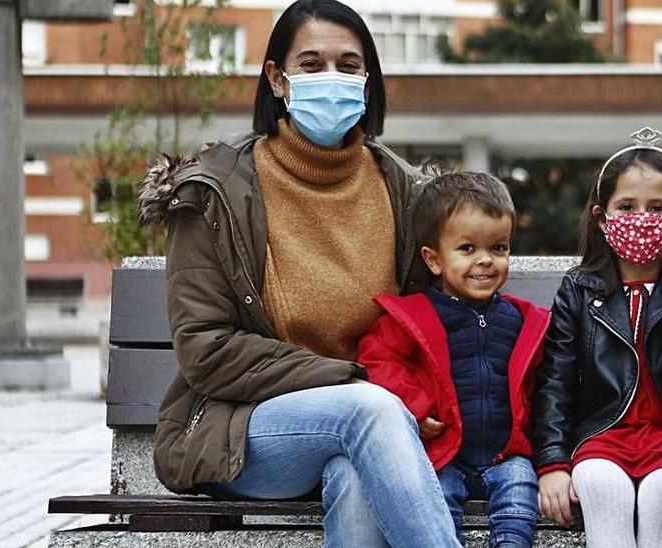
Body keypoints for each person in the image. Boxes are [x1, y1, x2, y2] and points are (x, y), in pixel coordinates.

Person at [137, 1, 458, 546]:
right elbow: (207, 351)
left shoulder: (405, 193)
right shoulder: (215, 191)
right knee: (368, 410)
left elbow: (426, 328)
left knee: (358, 475)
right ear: (276, 79)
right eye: (310, 64)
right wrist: (350, 377)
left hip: (372, 429)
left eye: (349, 64)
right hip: (239, 429)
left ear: (368, 80)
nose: (331, 77)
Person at [531, 129, 662, 548]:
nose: (642, 218)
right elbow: (555, 383)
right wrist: (552, 462)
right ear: (603, 218)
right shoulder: (580, 290)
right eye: (626, 207)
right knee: (603, 487)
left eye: (657, 207)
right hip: (601, 438)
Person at [356, 172, 549, 547]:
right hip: (442, 454)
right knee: (433, 501)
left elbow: (542, 386)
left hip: (505, 454)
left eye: (499, 248)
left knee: (521, 494)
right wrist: (414, 404)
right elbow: (378, 360)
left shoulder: (523, 321)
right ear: (433, 260)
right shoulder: (412, 317)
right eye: (467, 249)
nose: (485, 261)